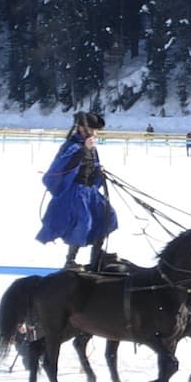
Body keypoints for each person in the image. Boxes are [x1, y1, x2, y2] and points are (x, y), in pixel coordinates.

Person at [36, 112, 118, 271]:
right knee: (83, 223)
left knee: (107, 217)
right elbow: (63, 167)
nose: (95, 133)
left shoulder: (90, 145)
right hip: (76, 192)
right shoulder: (71, 146)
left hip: (91, 191)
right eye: (92, 129)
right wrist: (83, 151)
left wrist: (98, 171)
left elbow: (92, 164)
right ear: (81, 128)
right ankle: (70, 260)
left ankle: (96, 256)